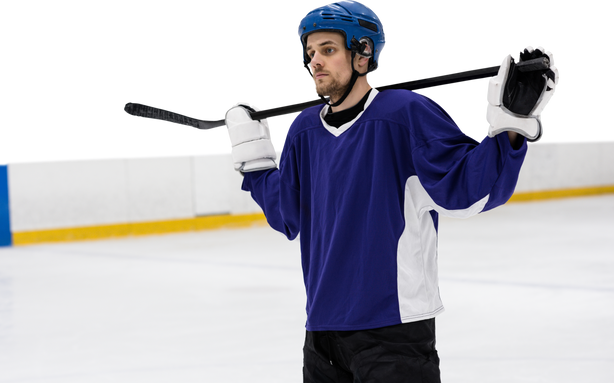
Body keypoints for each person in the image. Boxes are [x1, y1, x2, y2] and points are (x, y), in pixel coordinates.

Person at [223, 1, 561, 381]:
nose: (315, 61)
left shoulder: (405, 114)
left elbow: (469, 190)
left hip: (393, 331)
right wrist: (254, 161)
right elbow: (287, 214)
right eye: (311, 51)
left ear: (363, 54)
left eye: (329, 50)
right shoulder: (303, 131)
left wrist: (512, 125)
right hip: (321, 332)